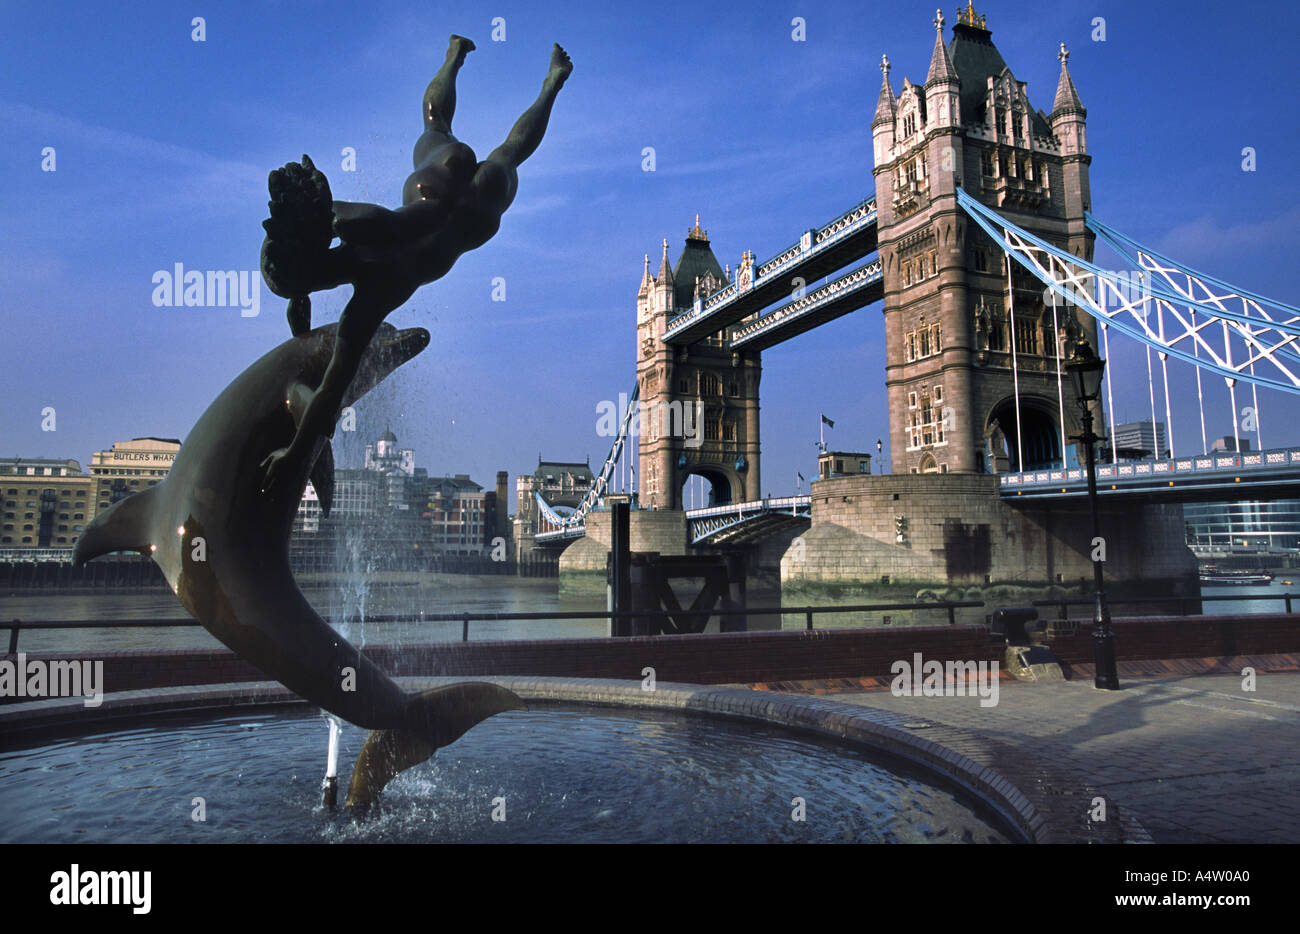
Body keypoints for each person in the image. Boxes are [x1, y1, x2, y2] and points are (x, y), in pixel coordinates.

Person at [259, 36, 572, 494]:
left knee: (509, 152)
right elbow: (331, 239)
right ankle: (463, 58)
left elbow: (330, 396)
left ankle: (548, 86)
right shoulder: (347, 225)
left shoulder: (371, 299)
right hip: (435, 184)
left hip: (469, 215)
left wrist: (293, 456)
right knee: (438, 123)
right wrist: (309, 243)